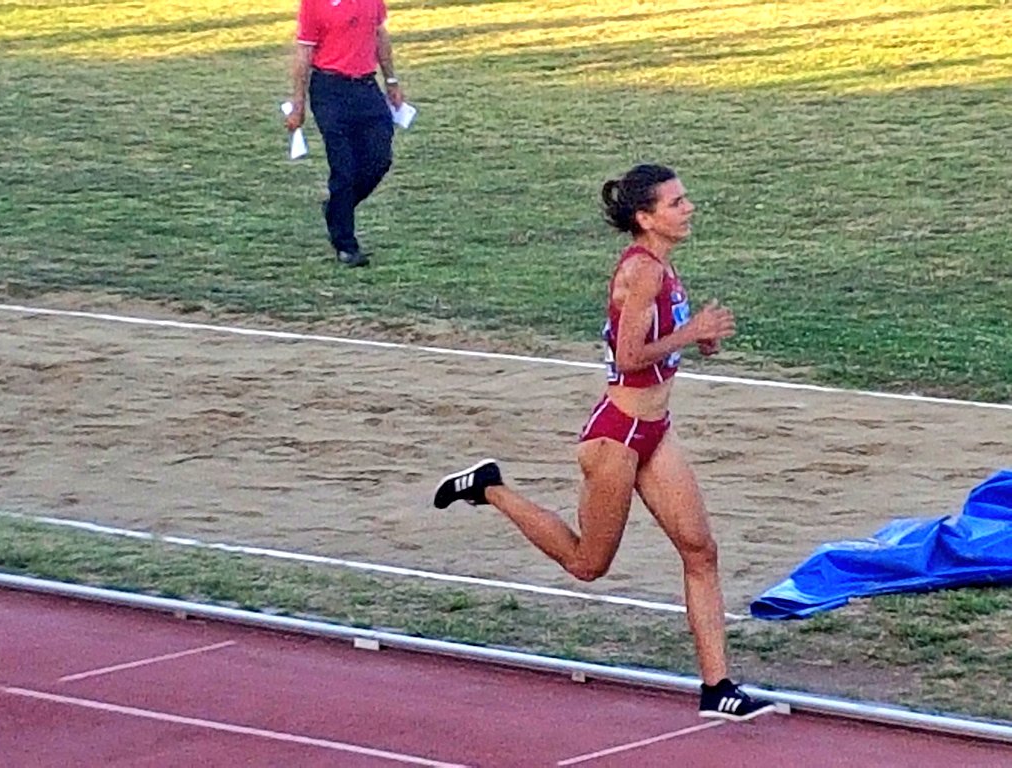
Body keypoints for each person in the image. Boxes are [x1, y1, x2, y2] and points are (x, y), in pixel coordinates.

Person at [433, 164, 776, 722]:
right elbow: (628, 358)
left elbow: (653, 345)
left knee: (700, 551)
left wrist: (695, 340)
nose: (688, 208)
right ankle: (490, 487)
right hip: (616, 438)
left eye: (685, 199)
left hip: (655, 433)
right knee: (588, 564)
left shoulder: (665, 266)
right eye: (676, 203)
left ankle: (718, 687)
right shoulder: (642, 271)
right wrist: (690, 333)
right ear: (646, 218)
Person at [285, 0, 405, 268]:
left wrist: (392, 80)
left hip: (365, 85)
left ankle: (338, 209)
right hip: (330, 89)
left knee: (379, 158)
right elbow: (304, 52)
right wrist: (298, 104)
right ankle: (346, 245)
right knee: (344, 167)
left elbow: (379, 34)